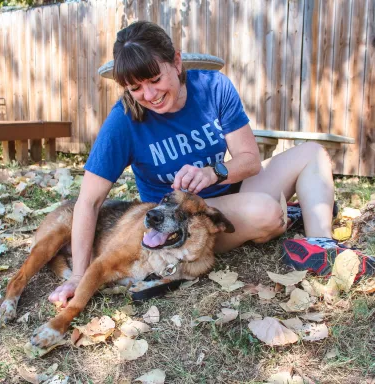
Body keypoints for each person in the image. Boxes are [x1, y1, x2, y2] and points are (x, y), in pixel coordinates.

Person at [48, 20, 337, 306]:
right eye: (135, 88)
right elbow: (88, 202)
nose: (149, 95)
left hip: (230, 192)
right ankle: (286, 214)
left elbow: (250, 162)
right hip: (182, 222)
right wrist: (78, 275)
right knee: (267, 213)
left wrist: (213, 173)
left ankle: (321, 247)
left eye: (155, 80)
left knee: (313, 152)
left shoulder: (213, 87)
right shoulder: (123, 121)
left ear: (176, 62)